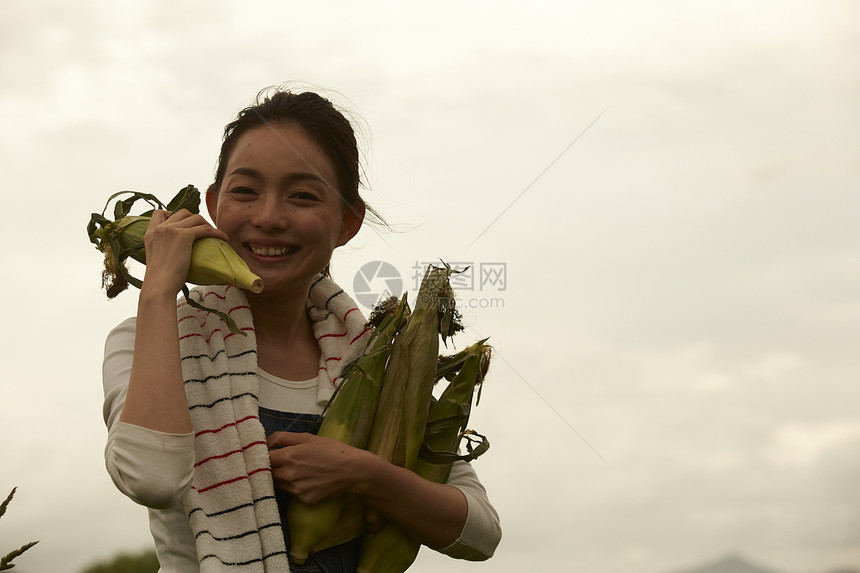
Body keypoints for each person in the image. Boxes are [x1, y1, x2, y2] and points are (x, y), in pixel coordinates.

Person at [101, 87, 502, 573]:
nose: (268, 217)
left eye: (303, 196)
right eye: (244, 191)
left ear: (347, 223)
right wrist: (158, 291)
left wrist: (364, 475)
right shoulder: (146, 336)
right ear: (212, 205)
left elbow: (480, 533)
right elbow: (152, 479)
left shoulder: (372, 359)